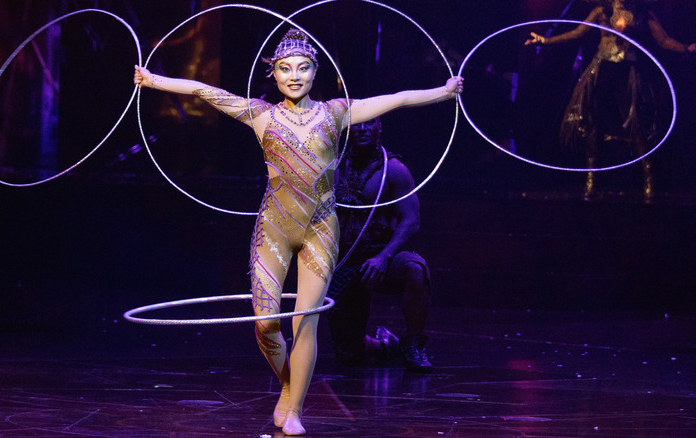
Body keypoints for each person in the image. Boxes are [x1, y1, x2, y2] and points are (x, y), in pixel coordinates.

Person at [134, 28, 463, 435]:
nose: (294, 75)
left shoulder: (336, 112)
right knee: (266, 323)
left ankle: (294, 409)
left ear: (314, 71)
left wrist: (444, 92)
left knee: (304, 321)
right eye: (285, 69)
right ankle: (289, 388)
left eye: (303, 68)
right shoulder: (260, 114)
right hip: (273, 229)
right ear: (272, 73)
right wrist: (153, 81)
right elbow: (203, 90)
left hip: (320, 232)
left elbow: (394, 100)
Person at [525, 0, 695, 202]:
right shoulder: (601, 12)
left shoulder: (641, 13)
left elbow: (663, 40)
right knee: (593, 123)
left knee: (635, 125)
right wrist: (545, 41)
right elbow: (578, 32)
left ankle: (649, 181)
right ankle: (591, 182)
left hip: (626, 72)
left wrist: (686, 49)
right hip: (601, 71)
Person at [327, 117, 433, 372]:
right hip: (345, 262)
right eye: (356, 125)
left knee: (415, 268)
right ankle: (386, 345)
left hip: (380, 258)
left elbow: (411, 220)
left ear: (379, 127)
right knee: (349, 354)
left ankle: (414, 344)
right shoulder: (332, 167)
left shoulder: (393, 169)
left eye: (369, 124)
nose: (362, 130)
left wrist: (384, 257)